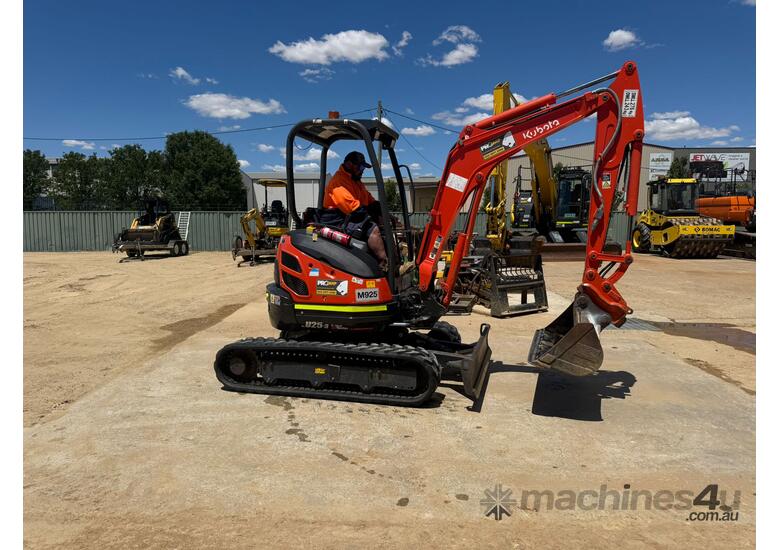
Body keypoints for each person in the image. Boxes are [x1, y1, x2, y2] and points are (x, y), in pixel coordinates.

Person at [322, 151, 388, 269]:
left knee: (385, 225)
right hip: (337, 220)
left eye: (364, 167)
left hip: (350, 218)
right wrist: (374, 216)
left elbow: (370, 201)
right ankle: (385, 265)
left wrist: (385, 213)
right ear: (349, 164)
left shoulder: (356, 182)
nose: (363, 170)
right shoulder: (338, 182)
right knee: (374, 230)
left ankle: (395, 265)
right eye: (361, 166)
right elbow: (353, 209)